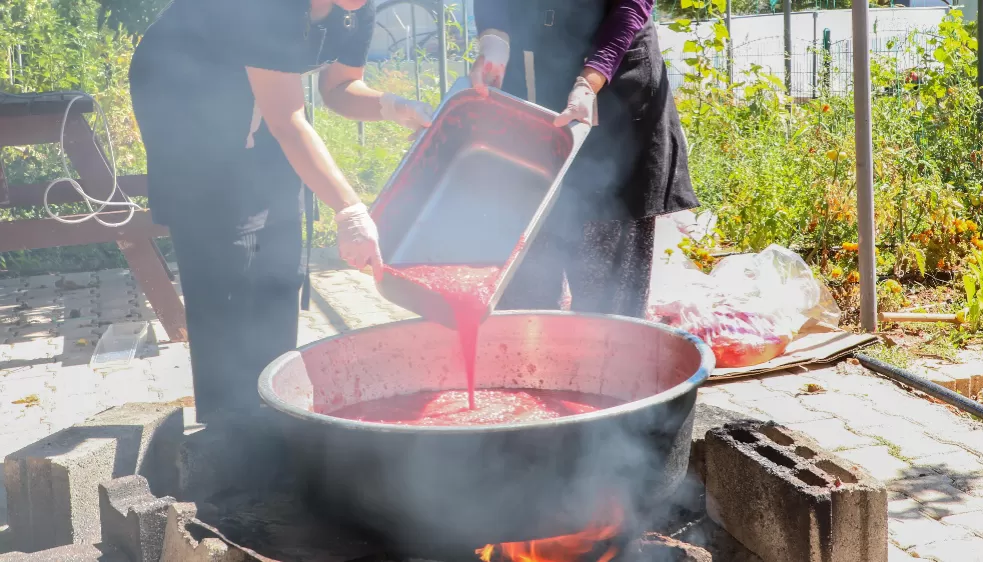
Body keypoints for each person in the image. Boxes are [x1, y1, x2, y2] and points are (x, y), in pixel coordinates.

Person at [129, 0, 432, 423]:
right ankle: (226, 426)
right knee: (224, 260)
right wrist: (350, 210)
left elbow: (339, 89)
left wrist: (395, 107)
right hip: (184, 100)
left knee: (279, 252)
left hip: (262, 109)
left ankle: (275, 409)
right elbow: (287, 121)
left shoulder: (354, 6)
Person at [471, 0, 698, 318]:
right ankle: (532, 360)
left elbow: (630, 7)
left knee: (605, 297)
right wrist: (494, 42)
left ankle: (608, 360)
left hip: (614, 90)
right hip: (533, 86)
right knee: (526, 280)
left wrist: (589, 80)